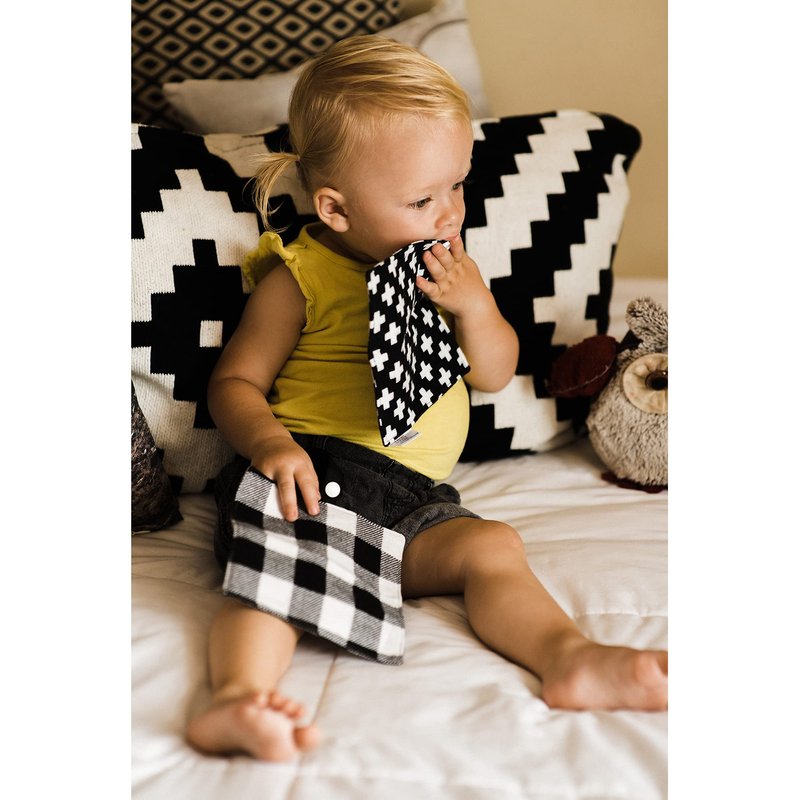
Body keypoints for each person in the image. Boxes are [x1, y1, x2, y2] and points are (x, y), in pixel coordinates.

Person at [186, 35, 668, 762]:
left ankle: (569, 658)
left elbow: (495, 373)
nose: (449, 214)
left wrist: (475, 307)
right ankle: (235, 697)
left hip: (413, 500)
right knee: (276, 575)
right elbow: (235, 383)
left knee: (492, 545)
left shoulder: (445, 271)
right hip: (314, 476)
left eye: (458, 186)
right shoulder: (300, 277)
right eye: (422, 199)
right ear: (335, 209)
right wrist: (270, 445)